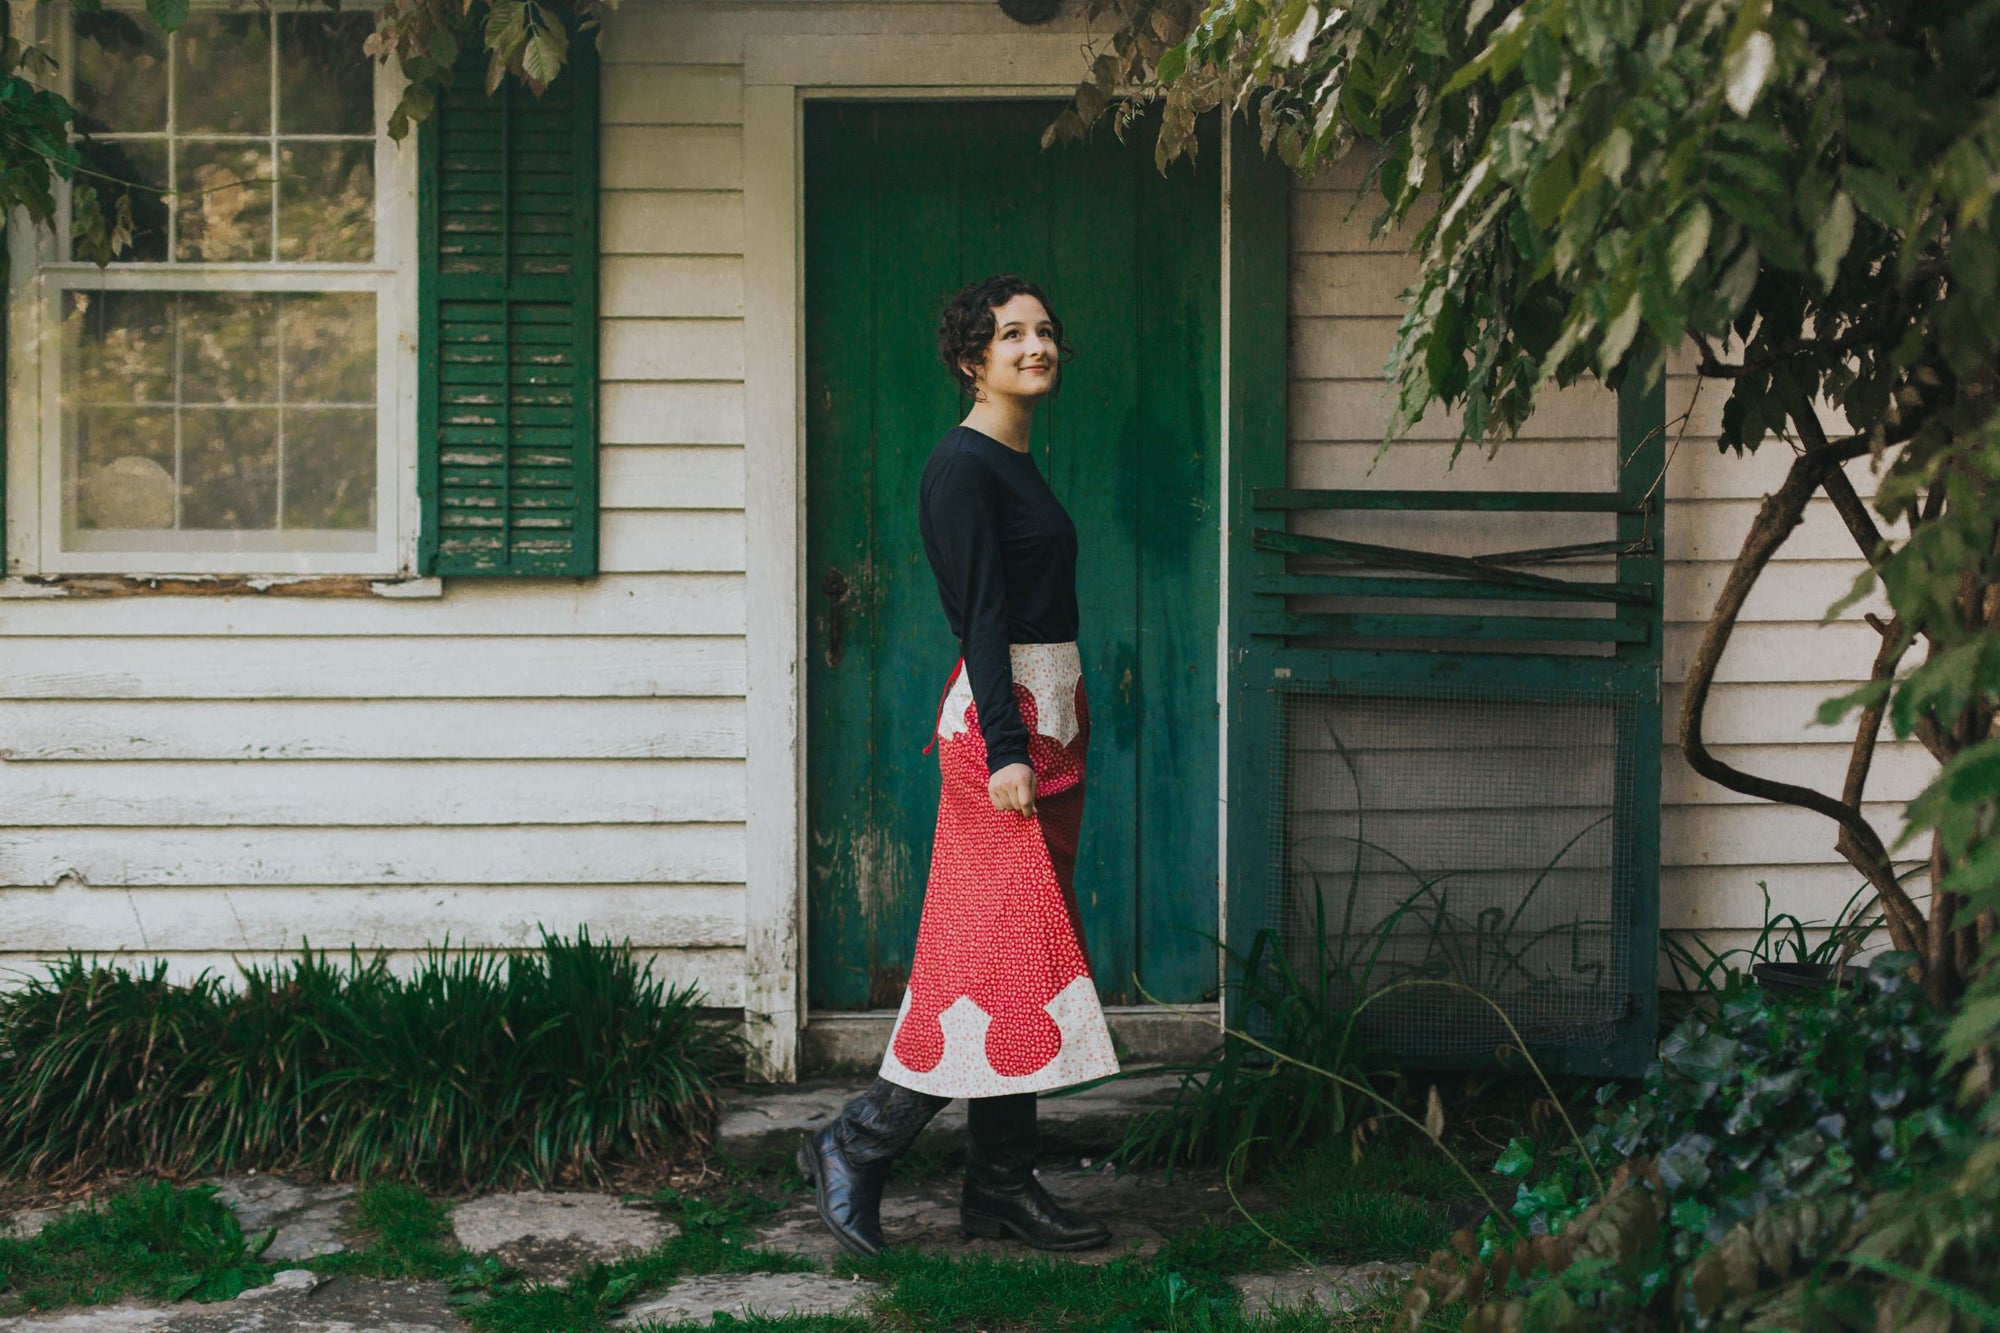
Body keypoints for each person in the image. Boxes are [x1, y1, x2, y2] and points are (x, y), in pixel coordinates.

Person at [796, 274, 1120, 1258]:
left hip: (1046, 725)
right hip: (1002, 735)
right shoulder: (962, 466)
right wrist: (1009, 751)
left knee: (1019, 963)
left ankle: (999, 1189)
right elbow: (979, 617)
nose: (1037, 345)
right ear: (969, 357)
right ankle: (856, 1141)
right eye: (1012, 333)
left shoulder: (1014, 459)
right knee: (984, 963)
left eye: (1046, 330)